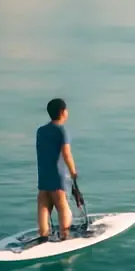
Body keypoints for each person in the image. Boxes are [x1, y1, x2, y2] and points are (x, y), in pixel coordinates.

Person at [36, 98, 78, 242]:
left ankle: (43, 235)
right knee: (62, 204)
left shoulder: (40, 131)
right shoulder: (62, 131)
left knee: (43, 203)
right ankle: (64, 235)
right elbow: (66, 154)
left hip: (43, 173)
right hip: (58, 174)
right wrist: (73, 172)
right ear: (62, 112)